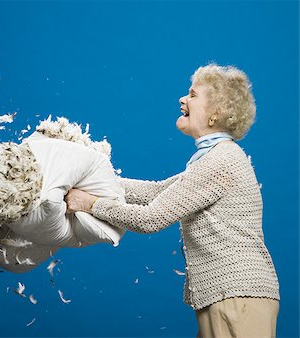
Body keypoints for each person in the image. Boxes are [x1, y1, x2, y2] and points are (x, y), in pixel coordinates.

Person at [65, 64, 280, 338]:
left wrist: (90, 203)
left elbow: (151, 218)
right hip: (229, 296)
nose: (182, 99)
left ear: (216, 113)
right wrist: (88, 177)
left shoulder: (221, 161)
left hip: (237, 296)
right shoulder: (213, 159)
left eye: (193, 94)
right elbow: (155, 193)